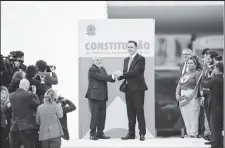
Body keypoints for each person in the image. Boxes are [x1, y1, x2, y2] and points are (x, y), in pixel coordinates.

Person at [114, 40, 148, 141]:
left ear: (136, 48)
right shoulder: (126, 60)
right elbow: (125, 73)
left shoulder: (141, 59)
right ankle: (131, 133)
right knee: (130, 112)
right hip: (128, 89)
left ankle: (142, 133)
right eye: (128, 47)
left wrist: (122, 74)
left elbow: (136, 72)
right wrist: (117, 76)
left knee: (139, 111)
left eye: (131, 47)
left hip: (138, 89)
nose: (129, 49)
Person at [85, 56, 115, 140]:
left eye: (100, 60)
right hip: (94, 96)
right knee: (95, 115)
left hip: (102, 96)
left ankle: (100, 133)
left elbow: (106, 77)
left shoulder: (102, 68)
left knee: (102, 115)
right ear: (93, 61)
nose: (99, 61)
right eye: (97, 60)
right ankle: (92, 134)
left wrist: (115, 77)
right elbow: (101, 77)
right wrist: (112, 76)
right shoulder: (92, 69)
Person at [175, 56, 202, 138]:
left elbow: (197, 85)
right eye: (188, 63)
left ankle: (194, 133)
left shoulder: (197, 73)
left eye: (191, 63)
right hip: (182, 95)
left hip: (192, 95)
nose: (190, 64)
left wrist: (191, 95)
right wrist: (177, 94)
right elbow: (179, 85)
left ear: (195, 64)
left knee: (193, 114)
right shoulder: (184, 74)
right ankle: (189, 132)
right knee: (185, 115)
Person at [9, 79, 40, 148]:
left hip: (14, 128)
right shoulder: (29, 95)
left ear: (20, 85)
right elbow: (37, 105)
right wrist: (34, 94)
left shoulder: (11, 96)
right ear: (27, 86)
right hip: (27, 128)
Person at [202, 62, 223, 148]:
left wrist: (210, 75)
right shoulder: (222, 79)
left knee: (215, 127)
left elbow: (204, 83)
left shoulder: (215, 80)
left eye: (214, 69)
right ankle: (220, 142)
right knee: (220, 128)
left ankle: (215, 144)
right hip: (222, 107)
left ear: (217, 70)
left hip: (215, 108)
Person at [200, 51, 218, 142]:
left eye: (209, 58)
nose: (207, 60)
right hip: (206, 95)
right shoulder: (205, 69)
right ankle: (212, 136)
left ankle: (215, 137)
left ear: (213, 59)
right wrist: (203, 95)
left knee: (213, 116)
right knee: (208, 116)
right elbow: (203, 82)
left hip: (213, 95)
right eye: (206, 58)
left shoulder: (216, 68)